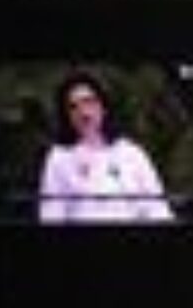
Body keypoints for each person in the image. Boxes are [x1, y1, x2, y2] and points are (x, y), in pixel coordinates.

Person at [38, 70, 174, 223]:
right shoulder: (59, 157)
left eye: (89, 101)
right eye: (73, 107)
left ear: (103, 107)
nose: (83, 112)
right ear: (67, 117)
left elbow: (158, 209)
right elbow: (51, 213)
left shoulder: (132, 153)